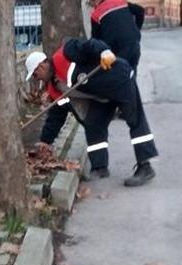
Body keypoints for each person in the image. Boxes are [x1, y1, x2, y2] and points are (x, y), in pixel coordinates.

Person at [26, 38, 157, 187]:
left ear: (41, 67)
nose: (37, 80)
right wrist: (45, 140)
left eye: (35, 75)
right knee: (93, 124)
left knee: (135, 120)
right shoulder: (55, 89)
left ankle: (145, 167)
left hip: (119, 80)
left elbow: (90, 45)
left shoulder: (66, 53)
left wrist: (104, 52)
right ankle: (99, 167)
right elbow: (56, 115)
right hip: (101, 96)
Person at [89, 0, 145, 70]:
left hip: (117, 51)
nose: (90, 5)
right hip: (134, 45)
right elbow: (140, 10)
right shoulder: (120, 2)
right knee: (131, 75)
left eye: (89, 2)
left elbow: (96, 41)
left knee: (120, 77)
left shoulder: (96, 15)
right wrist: (136, 30)